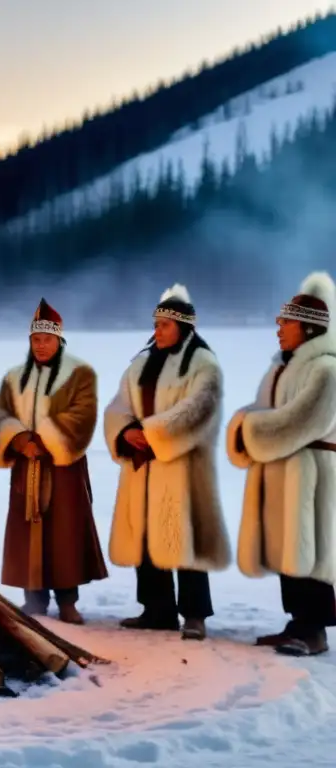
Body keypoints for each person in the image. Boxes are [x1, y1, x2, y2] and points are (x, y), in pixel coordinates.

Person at [104, 284, 231, 640]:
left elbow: (198, 408)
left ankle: (194, 614)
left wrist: (152, 433)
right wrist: (126, 431)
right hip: (143, 465)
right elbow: (118, 405)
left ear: (184, 328)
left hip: (181, 466)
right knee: (146, 535)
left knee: (184, 537)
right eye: (156, 324)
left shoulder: (203, 364)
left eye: (165, 325)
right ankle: (156, 608)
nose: (157, 330)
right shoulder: (141, 364)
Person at [228, 271, 336, 656]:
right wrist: (243, 425)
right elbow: (262, 411)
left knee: (312, 550)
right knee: (288, 550)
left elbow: (305, 421)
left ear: (307, 329)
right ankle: (297, 621)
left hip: (311, 473)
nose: (279, 329)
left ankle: (314, 630)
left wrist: (249, 430)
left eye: (286, 322)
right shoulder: (279, 368)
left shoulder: (326, 369)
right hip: (281, 471)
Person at [0, 298, 108, 623]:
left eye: (47, 339)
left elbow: (82, 416)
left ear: (59, 340)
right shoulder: (14, 378)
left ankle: (68, 599)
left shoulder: (79, 373)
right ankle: (34, 597)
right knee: (28, 531)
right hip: (25, 466)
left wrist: (43, 439)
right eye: (36, 339)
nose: (41, 345)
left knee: (65, 532)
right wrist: (17, 439)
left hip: (63, 467)